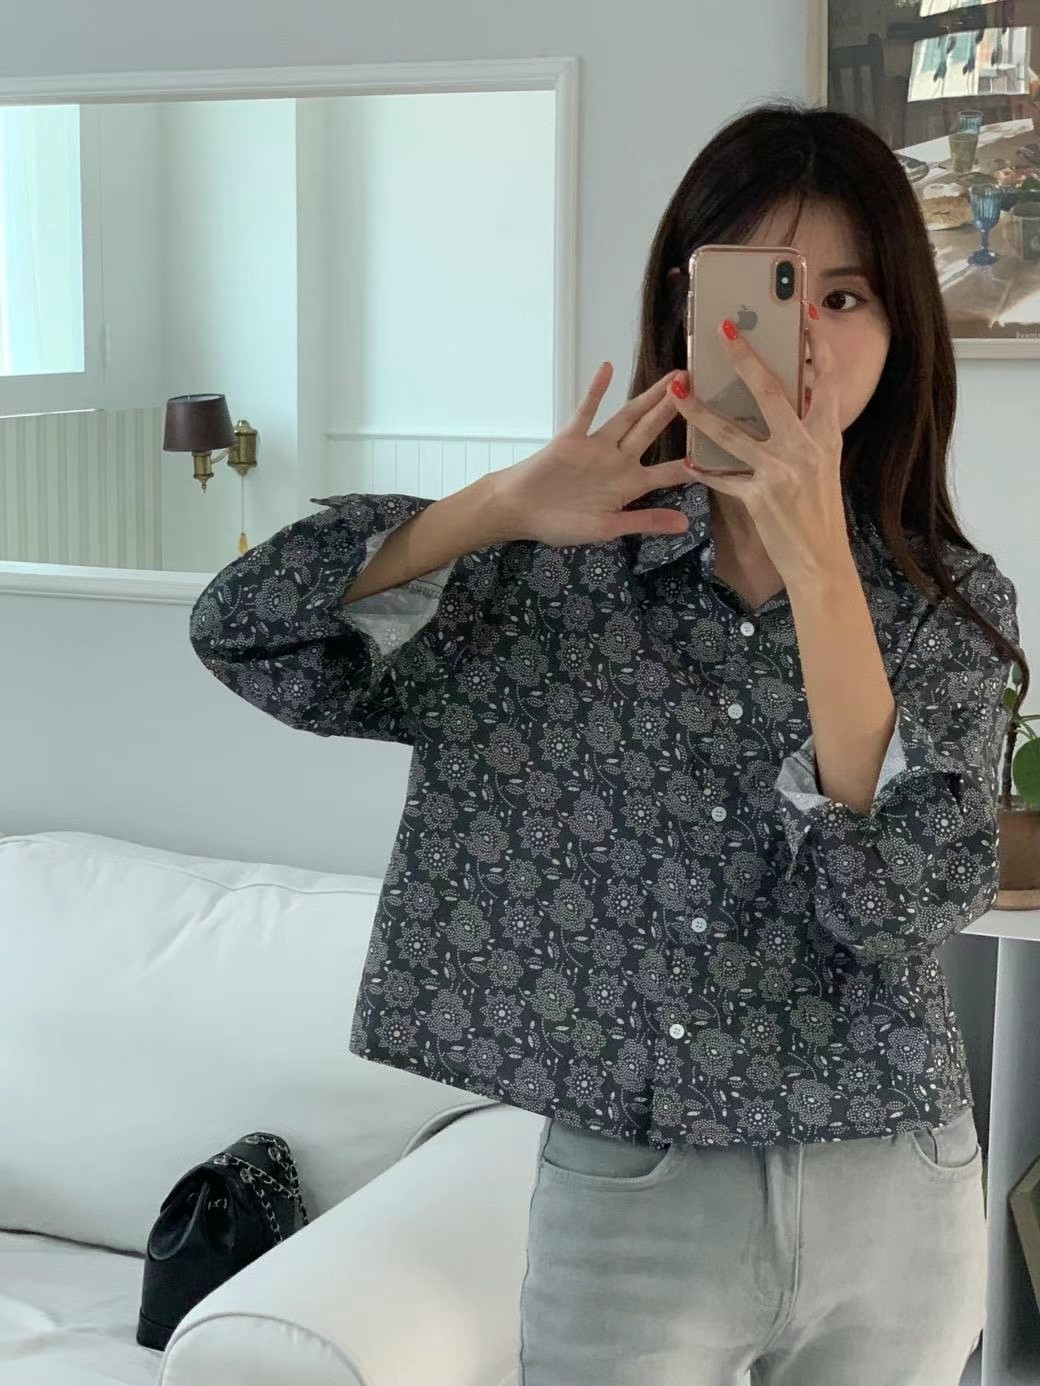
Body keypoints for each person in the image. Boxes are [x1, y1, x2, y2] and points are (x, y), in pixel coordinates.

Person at [189, 100, 1029, 1386]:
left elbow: (890, 904)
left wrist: (819, 565)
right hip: (631, 1188)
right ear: (688, 312)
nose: (804, 339)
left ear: (899, 329)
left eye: (845, 297)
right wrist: (491, 506)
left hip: (891, 1181)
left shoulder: (944, 605)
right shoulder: (545, 578)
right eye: (768, 292)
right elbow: (245, 631)